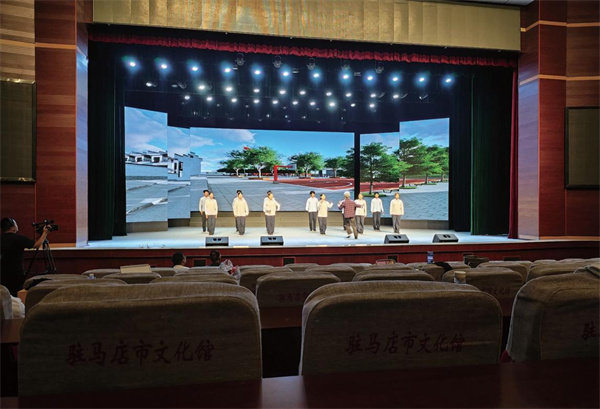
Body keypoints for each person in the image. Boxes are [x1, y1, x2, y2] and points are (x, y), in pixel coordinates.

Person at [0, 218, 50, 296]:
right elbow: (36, 245)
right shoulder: (19, 239)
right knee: (16, 294)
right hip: (16, 273)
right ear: (12, 228)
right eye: (15, 224)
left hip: (1, 273)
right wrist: (45, 233)